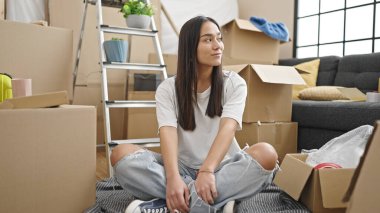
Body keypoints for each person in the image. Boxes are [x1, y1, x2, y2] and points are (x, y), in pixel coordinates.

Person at [110, 15, 278, 213]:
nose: (218, 46)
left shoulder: (234, 83)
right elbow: (168, 132)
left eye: (219, 38)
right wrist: (173, 178)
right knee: (120, 155)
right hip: (180, 168)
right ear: (190, 48)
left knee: (267, 154)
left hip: (222, 168)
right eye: (208, 40)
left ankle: (172, 202)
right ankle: (211, 200)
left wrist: (207, 171)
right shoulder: (168, 88)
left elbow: (228, 128)